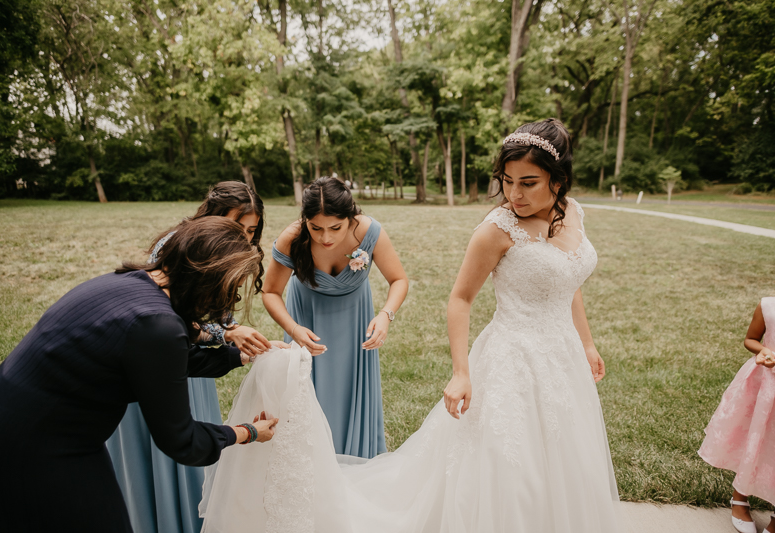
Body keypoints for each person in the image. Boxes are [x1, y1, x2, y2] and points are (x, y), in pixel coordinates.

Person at [200, 119, 621, 532]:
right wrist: (461, 372)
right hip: (511, 356)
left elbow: (566, 282)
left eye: (528, 182)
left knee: (563, 456)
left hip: (562, 358)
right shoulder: (497, 229)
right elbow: (460, 299)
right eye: (507, 180)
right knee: (507, 462)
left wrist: (585, 342)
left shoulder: (574, 217)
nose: (514, 193)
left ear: (558, 180)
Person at [0, 217, 279, 532]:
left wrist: (240, 355)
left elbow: (163, 363)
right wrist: (248, 432)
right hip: (33, 447)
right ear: (209, 280)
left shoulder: (132, 283)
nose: (233, 299)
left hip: (19, 424)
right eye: (231, 288)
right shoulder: (157, 325)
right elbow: (182, 442)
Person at [105, 181, 280, 533]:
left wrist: (235, 338)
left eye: (251, 230)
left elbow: (218, 312)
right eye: (236, 227)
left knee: (196, 437)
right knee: (169, 439)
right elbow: (175, 315)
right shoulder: (175, 246)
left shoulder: (230, 251)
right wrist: (227, 334)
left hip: (191, 358)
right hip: (160, 357)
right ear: (212, 217)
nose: (245, 239)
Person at [262, 177, 409, 458]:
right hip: (306, 324)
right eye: (315, 228)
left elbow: (398, 279)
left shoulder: (369, 231)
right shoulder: (292, 238)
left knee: (350, 395)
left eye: (335, 228)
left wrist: (385, 315)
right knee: (306, 396)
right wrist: (293, 329)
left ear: (350, 217)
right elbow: (270, 292)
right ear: (305, 220)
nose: (325, 237)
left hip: (354, 326)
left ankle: (353, 459)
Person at [699, 298, 775, 533]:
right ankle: (739, 497)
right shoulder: (768, 306)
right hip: (766, 386)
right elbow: (750, 339)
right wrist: (764, 350)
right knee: (756, 439)